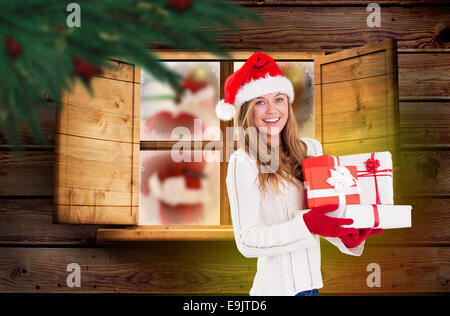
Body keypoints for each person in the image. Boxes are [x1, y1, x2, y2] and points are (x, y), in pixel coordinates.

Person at [214, 52, 383, 296]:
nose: (272, 110)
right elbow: (247, 241)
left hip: (312, 288)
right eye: (260, 102)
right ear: (247, 111)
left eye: (279, 99)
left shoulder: (310, 149)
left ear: (288, 103)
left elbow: (323, 213)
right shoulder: (244, 162)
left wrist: (348, 236)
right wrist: (306, 223)